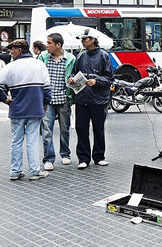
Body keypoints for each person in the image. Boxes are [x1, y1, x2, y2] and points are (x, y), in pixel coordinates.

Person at [0, 39, 51, 181]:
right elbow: (47, 89)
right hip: (35, 109)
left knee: (16, 141)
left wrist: (5, 100)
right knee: (32, 141)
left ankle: (15, 171)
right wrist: (45, 103)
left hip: (17, 109)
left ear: (20, 50)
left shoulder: (11, 67)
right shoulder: (39, 65)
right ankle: (34, 171)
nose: (11, 52)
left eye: (13, 50)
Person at [68, 28, 114, 169]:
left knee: (98, 129)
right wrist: (71, 79)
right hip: (82, 99)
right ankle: (83, 158)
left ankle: (99, 156)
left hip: (98, 100)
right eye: (82, 39)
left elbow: (109, 78)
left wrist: (96, 81)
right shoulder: (81, 56)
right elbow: (75, 73)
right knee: (81, 130)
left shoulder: (104, 56)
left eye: (85, 39)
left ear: (93, 40)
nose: (82, 42)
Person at [40, 33, 76, 171]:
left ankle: (65, 154)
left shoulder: (71, 59)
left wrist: (72, 78)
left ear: (58, 45)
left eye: (49, 43)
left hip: (64, 98)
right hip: (47, 99)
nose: (46, 45)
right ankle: (48, 158)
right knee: (47, 130)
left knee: (64, 129)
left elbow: (75, 73)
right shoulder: (43, 57)